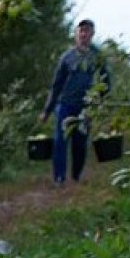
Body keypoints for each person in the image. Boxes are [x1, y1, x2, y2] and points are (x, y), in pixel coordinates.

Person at [40, 19, 112, 187]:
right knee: (60, 142)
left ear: (92, 34)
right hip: (64, 105)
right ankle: (59, 178)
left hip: (85, 107)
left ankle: (76, 176)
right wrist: (47, 110)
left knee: (80, 142)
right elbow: (56, 85)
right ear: (76, 34)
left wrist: (98, 101)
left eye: (87, 31)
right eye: (81, 31)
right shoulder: (66, 57)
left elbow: (106, 82)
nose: (83, 34)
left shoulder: (97, 56)